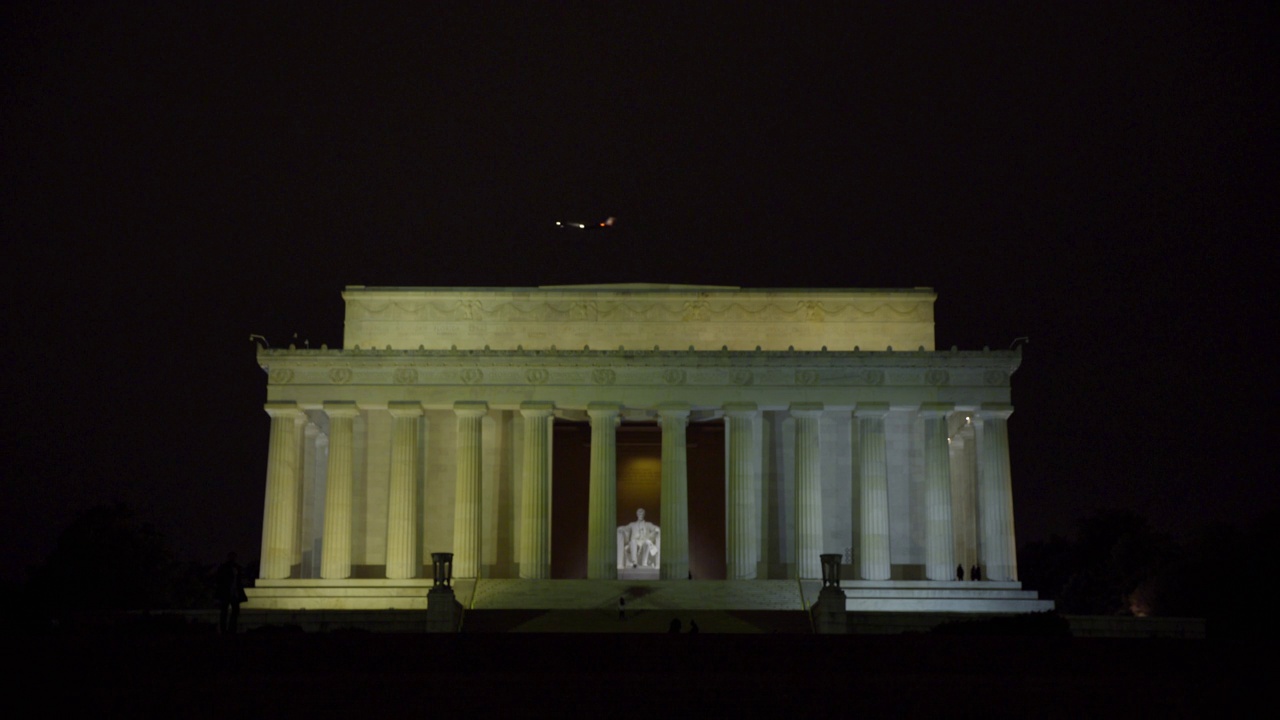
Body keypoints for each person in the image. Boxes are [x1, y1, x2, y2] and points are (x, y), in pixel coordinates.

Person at [215, 552, 248, 634]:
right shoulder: (224, 567)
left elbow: (239, 580)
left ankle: (231, 629)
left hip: (234, 593)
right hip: (226, 593)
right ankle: (224, 630)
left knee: (234, 611)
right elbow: (220, 580)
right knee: (224, 612)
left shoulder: (237, 567)